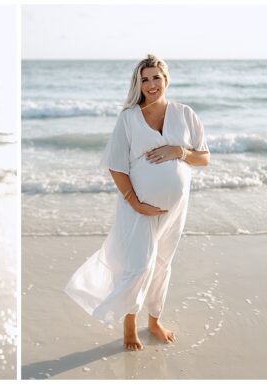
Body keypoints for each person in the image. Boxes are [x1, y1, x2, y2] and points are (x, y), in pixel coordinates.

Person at [65, 54, 209, 351]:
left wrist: (179, 151)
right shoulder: (129, 117)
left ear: (166, 79)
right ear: (138, 84)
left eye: (156, 77)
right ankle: (128, 325)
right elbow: (116, 166)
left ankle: (154, 321)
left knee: (162, 264)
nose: (151, 84)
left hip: (175, 208)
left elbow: (203, 158)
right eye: (145, 79)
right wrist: (134, 202)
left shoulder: (185, 114)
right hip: (138, 207)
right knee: (138, 266)